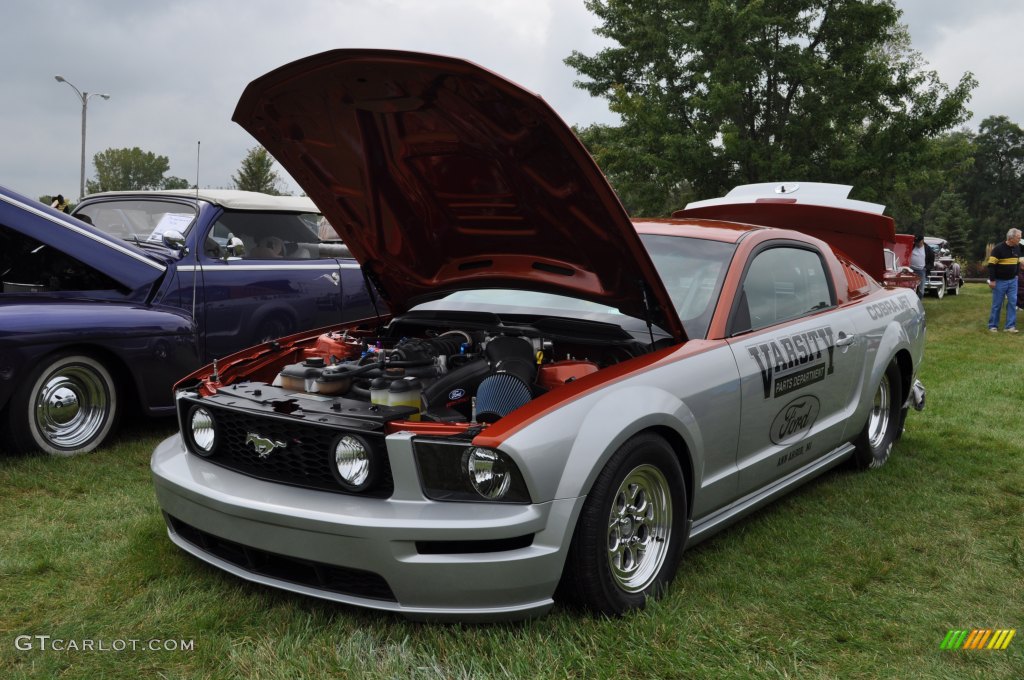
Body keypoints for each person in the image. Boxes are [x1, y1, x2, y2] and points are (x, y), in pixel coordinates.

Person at [986, 227, 1022, 333]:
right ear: (1011, 238)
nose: (1020, 239)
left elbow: (1017, 263)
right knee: (997, 304)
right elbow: (991, 265)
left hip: (1013, 281)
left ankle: (1010, 326)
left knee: (1012, 302)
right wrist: (992, 280)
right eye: (1018, 238)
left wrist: (1016, 275)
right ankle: (993, 326)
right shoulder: (998, 249)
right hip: (1000, 281)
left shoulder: (1017, 247)